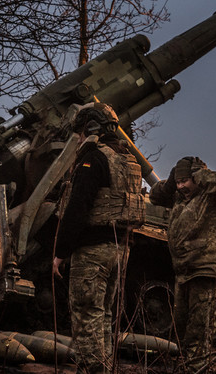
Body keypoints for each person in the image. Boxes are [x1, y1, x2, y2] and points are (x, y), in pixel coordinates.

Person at [51, 103, 145, 373]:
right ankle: (105, 367)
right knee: (104, 315)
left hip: (92, 251)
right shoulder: (130, 160)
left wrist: (61, 252)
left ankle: (93, 369)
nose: (79, 138)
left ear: (91, 128)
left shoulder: (94, 158)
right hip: (121, 249)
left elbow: (78, 206)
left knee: (86, 314)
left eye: (80, 132)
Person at [149, 156, 216, 373]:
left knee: (199, 335)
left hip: (207, 272)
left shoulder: (214, 197)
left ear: (196, 177)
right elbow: (155, 197)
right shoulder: (179, 198)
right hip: (184, 273)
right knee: (181, 333)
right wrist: (171, 182)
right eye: (178, 182)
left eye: (185, 180)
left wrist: (199, 172)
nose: (181, 186)